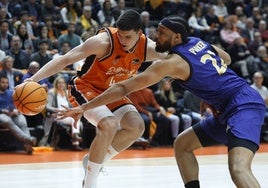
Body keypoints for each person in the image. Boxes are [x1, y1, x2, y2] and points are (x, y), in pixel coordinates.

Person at [56, 16, 266, 188]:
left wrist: (84, 107)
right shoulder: (197, 42)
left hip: (243, 106)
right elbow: (226, 59)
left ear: (176, 37)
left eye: (162, 33)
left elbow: (122, 88)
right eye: (158, 31)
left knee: (238, 169)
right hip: (225, 107)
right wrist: (209, 93)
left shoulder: (171, 63)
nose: (156, 36)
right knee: (182, 145)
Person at [25, 10, 166, 188]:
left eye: (127, 37)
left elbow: (175, 58)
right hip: (85, 88)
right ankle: (89, 184)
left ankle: (93, 161)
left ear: (139, 33)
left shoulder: (148, 48)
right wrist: (32, 79)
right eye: (120, 35)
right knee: (109, 124)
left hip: (112, 92)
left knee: (137, 127)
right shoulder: (102, 42)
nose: (122, 41)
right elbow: (65, 59)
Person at [0, 75, 36, 154]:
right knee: (7, 121)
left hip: (14, 113)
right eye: (3, 82)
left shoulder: (11, 93)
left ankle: (28, 146)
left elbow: (18, 104)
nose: (5, 84)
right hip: (2, 115)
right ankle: (28, 139)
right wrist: (2, 110)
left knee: (22, 121)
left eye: (6, 82)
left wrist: (17, 110)